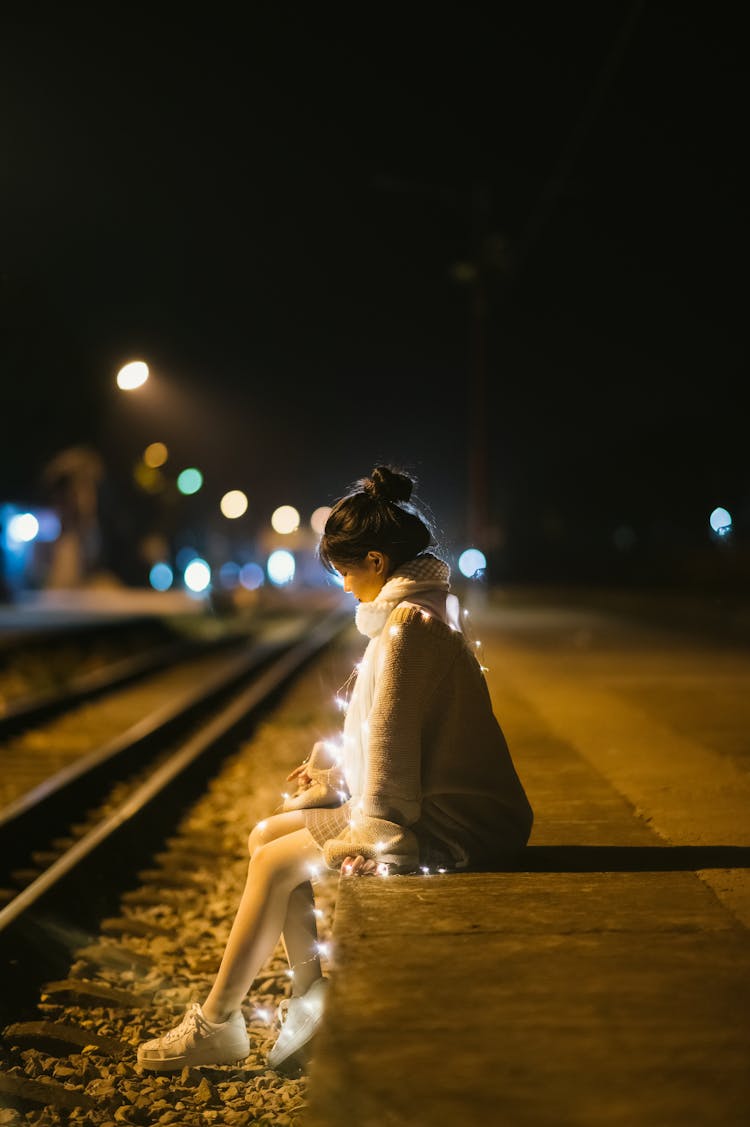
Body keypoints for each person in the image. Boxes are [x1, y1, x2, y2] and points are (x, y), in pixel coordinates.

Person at [136, 464, 534, 1075]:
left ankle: (217, 1022)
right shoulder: (414, 614)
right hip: (433, 798)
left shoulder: (410, 630)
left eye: (346, 571)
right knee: (264, 835)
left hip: (460, 820)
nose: (344, 586)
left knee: (272, 860)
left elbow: (396, 754)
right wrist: (333, 786)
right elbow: (397, 742)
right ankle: (308, 996)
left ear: (376, 561)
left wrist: (373, 837)